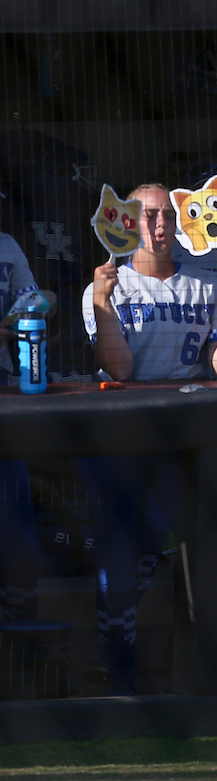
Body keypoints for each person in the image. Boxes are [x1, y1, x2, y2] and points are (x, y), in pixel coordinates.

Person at [80, 182, 217, 693]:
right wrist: (105, 302)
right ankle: (121, 680)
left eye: (168, 217)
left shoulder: (207, 284)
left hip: (189, 441)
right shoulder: (106, 286)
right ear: (124, 221)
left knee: (212, 557)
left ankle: (200, 677)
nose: (158, 226)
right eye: (146, 216)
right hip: (125, 438)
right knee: (119, 569)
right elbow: (121, 367)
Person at [0, 230, 43, 621]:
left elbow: (29, 298)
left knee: (15, 514)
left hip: (3, 386)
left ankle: (24, 635)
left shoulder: (7, 245)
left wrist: (39, 305)